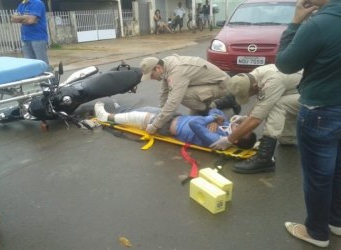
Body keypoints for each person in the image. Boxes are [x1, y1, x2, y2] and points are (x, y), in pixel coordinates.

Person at [275, 0, 341, 247]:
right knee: (338, 171)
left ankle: (316, 232)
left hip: (321, 110)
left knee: (319, 177)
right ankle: (336, 222)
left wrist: (294, 23)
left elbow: (285, 64)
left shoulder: (318, 24)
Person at [210, 64, 303, 174]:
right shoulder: (252, 76)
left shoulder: (272, 81)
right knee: (280, 103)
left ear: (254, 86)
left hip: (318, 96)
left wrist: (228, 139)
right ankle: (288, 138)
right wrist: (245, 117)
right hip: (299, 89)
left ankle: (265, 158)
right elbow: (262, 100)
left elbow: (257, 118)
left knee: (277, 104)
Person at [139, 54, 240, 135]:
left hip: (221, 85)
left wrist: (155, 125)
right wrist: (161, 112)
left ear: (158, 68)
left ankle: (212, 107)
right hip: (206, 83)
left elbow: (173, 102)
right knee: (192, 113)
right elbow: (164, 92)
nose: (152, 78)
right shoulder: (166, 64)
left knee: (182, 95)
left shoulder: (177, 71)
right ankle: (219, 104)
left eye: (151, 75)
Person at [94, 102, 256, 149]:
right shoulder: (227, 129)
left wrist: (212, 118)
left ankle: (106, 116)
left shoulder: (216, 140)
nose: (240, 126)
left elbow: (194, 123)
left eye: (240, 130)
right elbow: (215, 110)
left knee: (134, 117)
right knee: (139, 110)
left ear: (235, 140)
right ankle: (118, 111)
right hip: (174, 116)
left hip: (165, 126)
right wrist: (214, 118)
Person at [11, 0, 49, 66]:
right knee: (29, 64)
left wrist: (20, 19)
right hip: (25, 38)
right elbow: (13, 19)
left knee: (42, 63)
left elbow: (31, 21)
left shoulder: (37, 3)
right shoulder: (22, 5)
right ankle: (35, 76)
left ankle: (48, 76)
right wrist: (26, 17)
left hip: (38, 38)